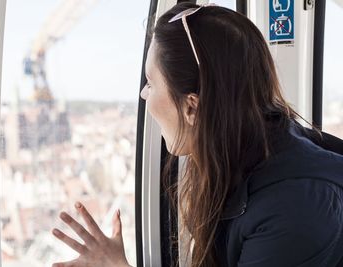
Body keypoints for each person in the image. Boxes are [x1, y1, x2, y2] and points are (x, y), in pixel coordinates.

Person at [51, 3, 343, 267]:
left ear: (192, 107)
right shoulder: (242, 154)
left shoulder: (294, 208)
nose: (143, 94)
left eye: (151, 83)